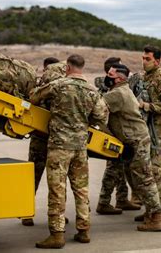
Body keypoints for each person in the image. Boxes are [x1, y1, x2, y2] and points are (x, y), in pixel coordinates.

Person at [30, 54, 108, 249]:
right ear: (82, 67)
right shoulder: (92, 90)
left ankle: (56, 235)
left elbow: (35, 97)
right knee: (81, 190)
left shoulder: (59, 85)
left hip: (59, 147)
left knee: (57, 190)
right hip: (80, 148)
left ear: (67, 67)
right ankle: (84, 230)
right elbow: (101, 116)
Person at [100, 63, 161, 231]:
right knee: (136, 178)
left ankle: (156, 217)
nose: (107, 78)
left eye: (111, 75)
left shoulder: (117, 94)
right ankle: (151, 212)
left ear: (120, 79)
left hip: (135, 140)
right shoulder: (123, 90)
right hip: (134, 139)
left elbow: (95, 108)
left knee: (144, 179)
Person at [22, 57, 66, 227]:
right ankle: (28, 213)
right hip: (47, 139)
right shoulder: (51, 87)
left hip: (47, 139)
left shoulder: (47, 87)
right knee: (51, 178)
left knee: (53, 179)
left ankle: (55, 215)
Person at [135, 45, 161, 222]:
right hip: (145, 129)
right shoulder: (143, 77)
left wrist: (146, 106)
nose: (144, 61)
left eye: (147, 59)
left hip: (159, 130)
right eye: (143, 58)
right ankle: (152, 207)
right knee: (145, 171)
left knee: (155, 170)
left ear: (157, 61)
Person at [95, 57, 140, 215]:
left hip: (119, 134)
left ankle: (121, 199)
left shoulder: (113, 89)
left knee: (118, 169)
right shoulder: (110, 90)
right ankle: (104, 201)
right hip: (112, 135)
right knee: (113, 168)